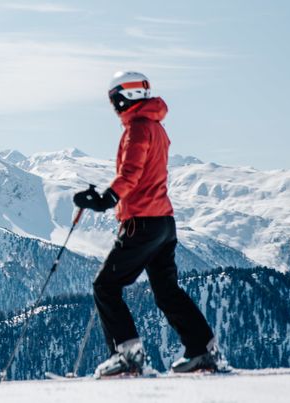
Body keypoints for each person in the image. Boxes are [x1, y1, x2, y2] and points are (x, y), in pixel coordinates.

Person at [73, 71, 227, 377]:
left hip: (141, 221)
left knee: (106, 286)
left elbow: (132, 171)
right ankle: (202, 350)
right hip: (163, 223)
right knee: (166, 291)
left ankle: (127, 355)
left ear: (122, 97)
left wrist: (107, 199)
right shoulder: (156, 126)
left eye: (113, 99)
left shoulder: (138, 128)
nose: (113, 106)